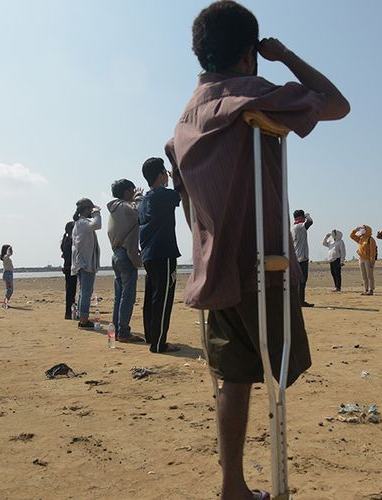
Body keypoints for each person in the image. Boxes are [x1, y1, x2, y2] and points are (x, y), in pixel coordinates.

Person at [165, 2, 349, 498]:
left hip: (213, 268)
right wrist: (285, 55)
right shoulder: (251, 95)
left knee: (233, 377)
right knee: (274, 369)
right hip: (261, 264)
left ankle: (233, 488)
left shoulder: (185, 119)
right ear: (250, 55)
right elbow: (336, 103)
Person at [139, 158, 181, 354]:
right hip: (163, 253)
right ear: (161, 175)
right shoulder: (163, 195)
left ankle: (152, 336)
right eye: (164, 172)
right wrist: (176, 176)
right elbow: (183, 192)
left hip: (149, 255)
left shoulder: (144, 199)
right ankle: (158, 343)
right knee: (163, 299)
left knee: (152, 298)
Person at [108, 178, 144, 342]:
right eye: (132, 189)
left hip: (116, 255)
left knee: (120, 296)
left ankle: (116, 329)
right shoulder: (124, 207)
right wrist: (139, 197)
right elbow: (139, 211)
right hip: (125, 255)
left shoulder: (114, 209)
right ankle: (123, 332)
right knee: (127, 297)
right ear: (126, 192)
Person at [71, 198, 101, 329]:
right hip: (86, 263)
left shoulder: (78, 223)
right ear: (86, 209)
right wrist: (97, 213)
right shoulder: (83, 222)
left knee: (84, 291)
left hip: (82, 262)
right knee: (87, 292)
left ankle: (81, 317)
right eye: (90, 209)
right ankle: (83, 320)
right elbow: (97, 225)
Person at [290, 209, 314, 307]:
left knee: (297, 280)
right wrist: (308, 215)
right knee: (302, 280)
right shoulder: (301, 226)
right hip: (302, 257)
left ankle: (296, 300)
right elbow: (310, 222)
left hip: (295, 257)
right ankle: (301, 301)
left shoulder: (292, 227)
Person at [350, 224, 377, 295]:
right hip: (361, 259)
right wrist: (355, 230)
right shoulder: (360, 238)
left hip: (368, 259)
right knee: (364, 275)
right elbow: (352, 236)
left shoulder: (371, 239)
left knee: (369, 275)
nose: (362, 230)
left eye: (363, 229)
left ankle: (371, 290)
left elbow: (373, 251)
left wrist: (372, 260)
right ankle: (365, 289)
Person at [61, 222, 78, 319]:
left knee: (70, 291)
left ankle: (69, 312)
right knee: (71, 291)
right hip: (70, 268)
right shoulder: (70, 241)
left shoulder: (65, 240)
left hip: (67, 267)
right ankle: (69, 312)